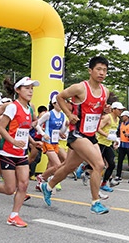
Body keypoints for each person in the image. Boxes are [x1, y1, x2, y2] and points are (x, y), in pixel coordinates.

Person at [40, 56, 110, 215]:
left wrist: (104, 110)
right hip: (77, 134)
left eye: (105, 70)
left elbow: (95, 109)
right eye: (98, 69)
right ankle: (95, 203)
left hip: (91, 135)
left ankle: (48, 186)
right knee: (98, 165)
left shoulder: (105, 91)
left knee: (68, 167)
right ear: (90, 71)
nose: (102, 73)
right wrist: (68, 114)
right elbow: (59, 97)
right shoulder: (80, 88)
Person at [0, 76, 42, 228]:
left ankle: (14, 216)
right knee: (9, 189)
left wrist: (33, 142)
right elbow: (1, 126)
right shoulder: (12, 107)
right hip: (8, 152)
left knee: (23, 185)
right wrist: (13, 141)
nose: (30, 91)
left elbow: (23, 130)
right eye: (27, 88)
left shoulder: (29, 108)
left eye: (31, 88)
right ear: (18, 90)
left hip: (21, 153)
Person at [34, 95, 68, 191]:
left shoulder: (62, 115)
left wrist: (65, 128)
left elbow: (61, 130)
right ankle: (44, 177)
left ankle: (41, 181)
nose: (62, 105)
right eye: (60, 103)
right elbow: (37, 124)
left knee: (53, 164)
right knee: (57, 165)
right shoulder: (49, 114)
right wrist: (43, 134)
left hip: (55, 142)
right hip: (47, 142)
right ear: (54, 104)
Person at [96, 101, 125, 190]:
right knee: (97, 164)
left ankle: (103, 184)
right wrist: (107, 135)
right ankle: (83, 167)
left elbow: (113, 132)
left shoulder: (118, 120)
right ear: (113, 109)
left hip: (108, 144)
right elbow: (98, 128)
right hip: (100, 143)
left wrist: (116, 140)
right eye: (119, 110)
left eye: (122, 110)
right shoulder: (107, 118)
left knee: (111, 164)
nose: (121, 111)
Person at [113, 110, 129, 184]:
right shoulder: (121, 125)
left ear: (127, 117)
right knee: (120, 161)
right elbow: (117, 132)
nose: (122, 118)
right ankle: (118, 176)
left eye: (123, 116)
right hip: (122, 145)